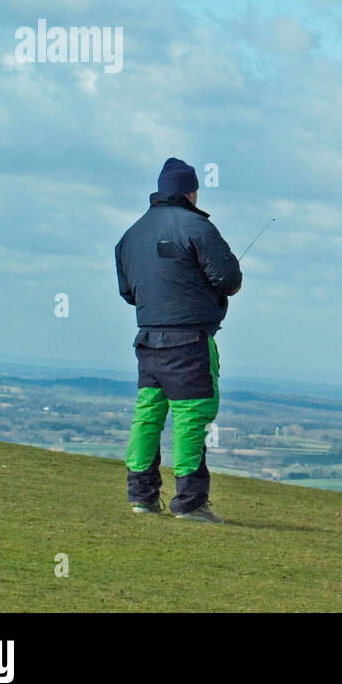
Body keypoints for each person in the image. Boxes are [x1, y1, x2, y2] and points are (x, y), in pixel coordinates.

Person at [115, 158, 242, 522]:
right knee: (191, 417)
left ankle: (141, 497)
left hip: (148, 341)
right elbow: (229, 278)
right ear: (191, 191)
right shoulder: (198, 228)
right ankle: (189, 503)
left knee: (148, 417)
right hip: (190, 342)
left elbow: (128, 292)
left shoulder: (130, 235)